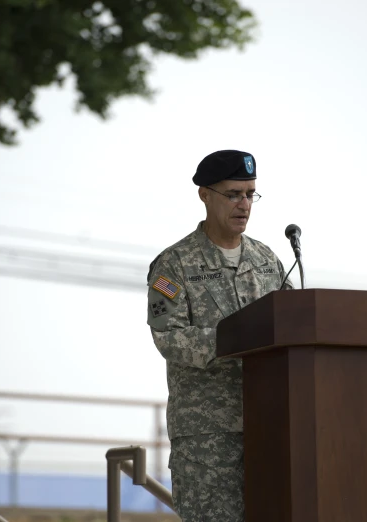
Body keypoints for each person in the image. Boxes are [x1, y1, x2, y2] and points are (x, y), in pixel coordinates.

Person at [146, 149, 293, 521]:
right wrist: (235, 339)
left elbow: (297, 322)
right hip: (208, 437)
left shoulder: (267, 260)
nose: (244, 204)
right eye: (233, 194)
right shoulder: (174, 264)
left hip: (272, 426)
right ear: (205, 194)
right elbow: (169, 337)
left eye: (250, 194)